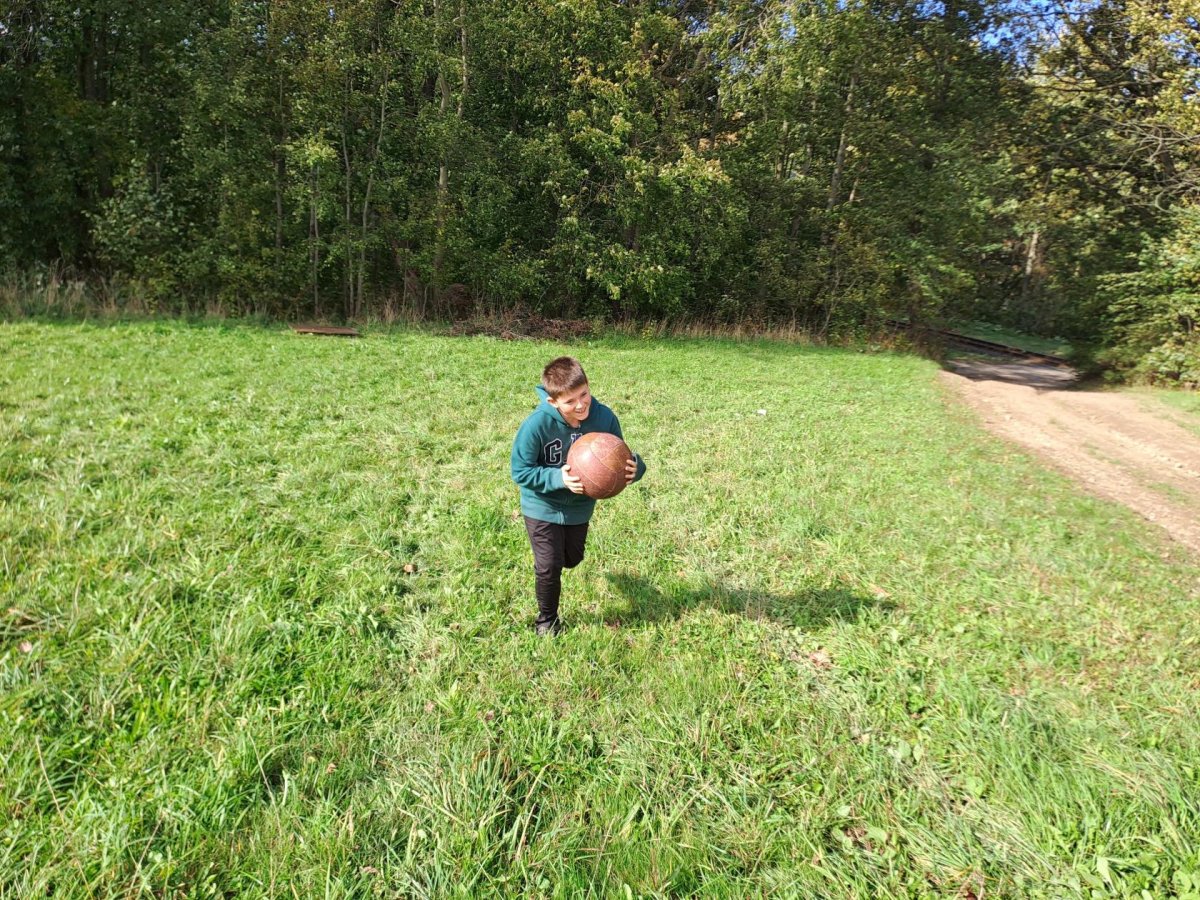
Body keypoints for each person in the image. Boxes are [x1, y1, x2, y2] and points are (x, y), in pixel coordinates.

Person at [510, 356, 646, 635]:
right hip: (541, 504)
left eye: (584, 394)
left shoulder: (604, 417)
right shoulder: (536, 424)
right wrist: (557, 478)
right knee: (549, 567)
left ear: (588, 385)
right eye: (570, 401)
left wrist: (636, 468)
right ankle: (547, 621)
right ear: (553, 402)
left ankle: (555, 558)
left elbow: (618, 456)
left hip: (579, 507)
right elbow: (520, 471)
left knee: (571, 558)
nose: (581, 404)